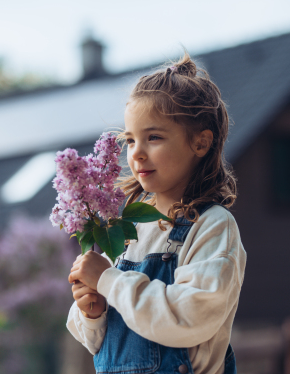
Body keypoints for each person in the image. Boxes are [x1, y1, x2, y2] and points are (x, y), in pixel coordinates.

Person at [67, 52, 247, 374]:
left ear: (200, 143)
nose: (136, 152)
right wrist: (92, 311)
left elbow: (188, 318)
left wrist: (108, 279)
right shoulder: (126, 226)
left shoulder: (212, 226)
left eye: (154, 137)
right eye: (130, 139)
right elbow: (98, 343)